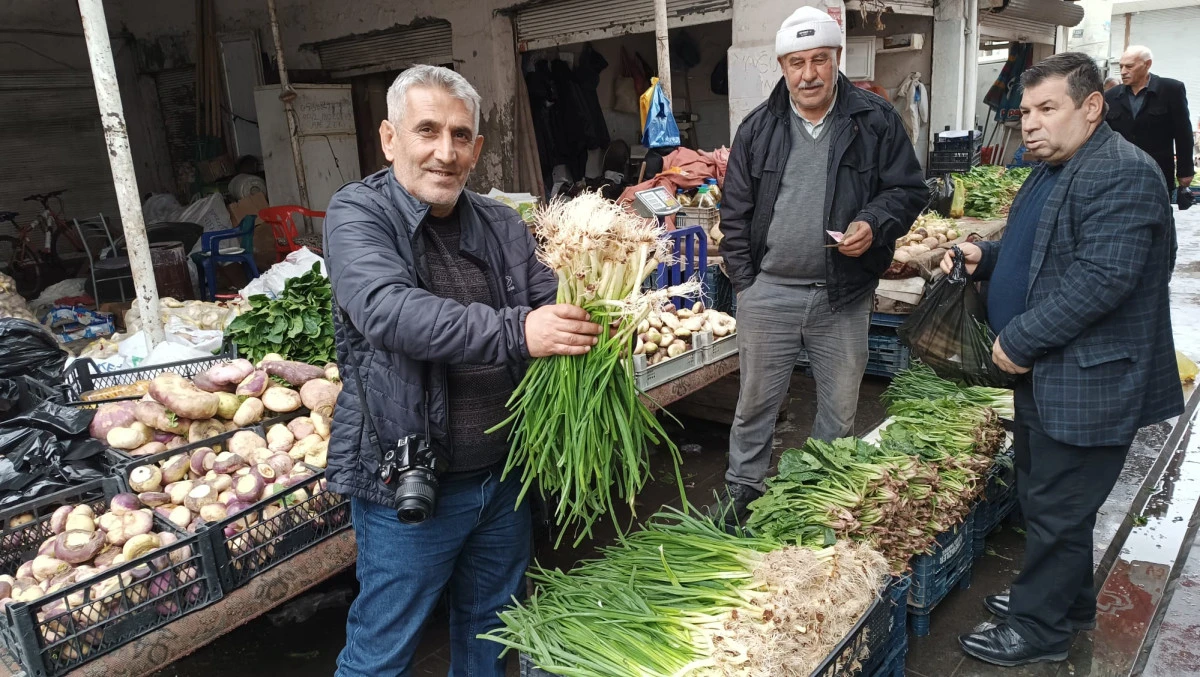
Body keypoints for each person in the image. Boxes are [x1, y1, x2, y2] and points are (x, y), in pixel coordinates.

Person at [323, 65, 603, 676]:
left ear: (477, 148)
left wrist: (600, 278)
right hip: (411, 482)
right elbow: (388, 312)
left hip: (503, 480)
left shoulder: (501, 223)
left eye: (460, 136)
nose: (444, 153)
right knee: (382, 652)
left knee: (490, 634)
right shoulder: (357, 214)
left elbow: (551, 298)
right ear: (390, 138)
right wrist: (519, 331)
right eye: (427, 131)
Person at [945, 52, 1183, 667]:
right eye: (1026, 111)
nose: (1029, 123)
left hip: (1088, 378)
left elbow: (1104, 278)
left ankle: (1039, 630)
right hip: (1052, 377)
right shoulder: (1056, 168)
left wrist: (1021, 340)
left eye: (1047, 109)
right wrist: (987, 258)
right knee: (1054, 502)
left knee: (1055, 508)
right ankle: (1067, 604)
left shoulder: (1122, 172)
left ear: (1092, 106)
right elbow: (1041, 252)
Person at [711, 6, 927, 525]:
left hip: (844, 292)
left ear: (836, 60)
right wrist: (747, 283)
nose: (808, 74)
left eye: (819, 61)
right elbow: (734, 211)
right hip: (771, 292)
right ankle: (742, 491)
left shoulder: (874, 121)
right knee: (756, 404)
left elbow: (907, 189)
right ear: (783, 67)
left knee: (839, 406)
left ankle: (822, 493)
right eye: (796, 63)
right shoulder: (758, 128)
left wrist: (874, 223)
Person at [1104, 46, 1194, 199]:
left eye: (1129, 66)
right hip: (1120, 174)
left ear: (1147, 64)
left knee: (1160, 217)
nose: (1123, 71)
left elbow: (1183, 134)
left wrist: (1185, 173)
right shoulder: (1111, 96)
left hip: (1158, 171)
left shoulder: (1171, 90)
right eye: (1121, 67)